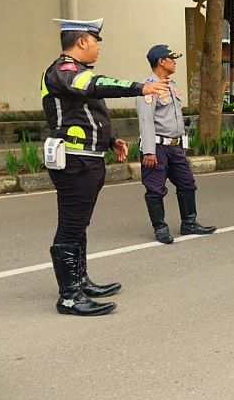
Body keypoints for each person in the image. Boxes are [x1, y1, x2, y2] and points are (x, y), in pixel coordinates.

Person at [42, 18, 169, 317]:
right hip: (73, 160)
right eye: (96, 41)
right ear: (82, 41)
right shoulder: (64, 71)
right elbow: (97, 87)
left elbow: (82, 113)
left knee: (79, 225)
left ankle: (81, 281)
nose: (98, 47)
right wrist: (142, 88)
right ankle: (69, 297)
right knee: (70, 228)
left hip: (88, 157)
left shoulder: (77, 75)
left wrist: (110, 140)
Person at [136, 44, 216, 244]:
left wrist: (182, 143)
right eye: (172, 59)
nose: (175, 62)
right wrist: (148, 151)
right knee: (155, 188)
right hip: (157, 147)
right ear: (161, 61)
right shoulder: (148, 87)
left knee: (187, 183)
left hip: (175, 146)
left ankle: (189, 223)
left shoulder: (171, 86)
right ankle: (160, 228)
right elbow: (145, 120)